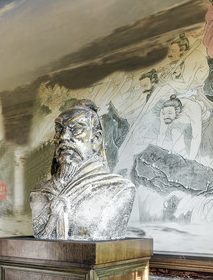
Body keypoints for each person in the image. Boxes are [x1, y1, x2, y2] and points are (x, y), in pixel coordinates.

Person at [29, 101, 135, 240]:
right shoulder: (40, 192)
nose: (63, 137)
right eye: (59, 130)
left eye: (76, 129)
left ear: (96, 139)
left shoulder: (117, 188)